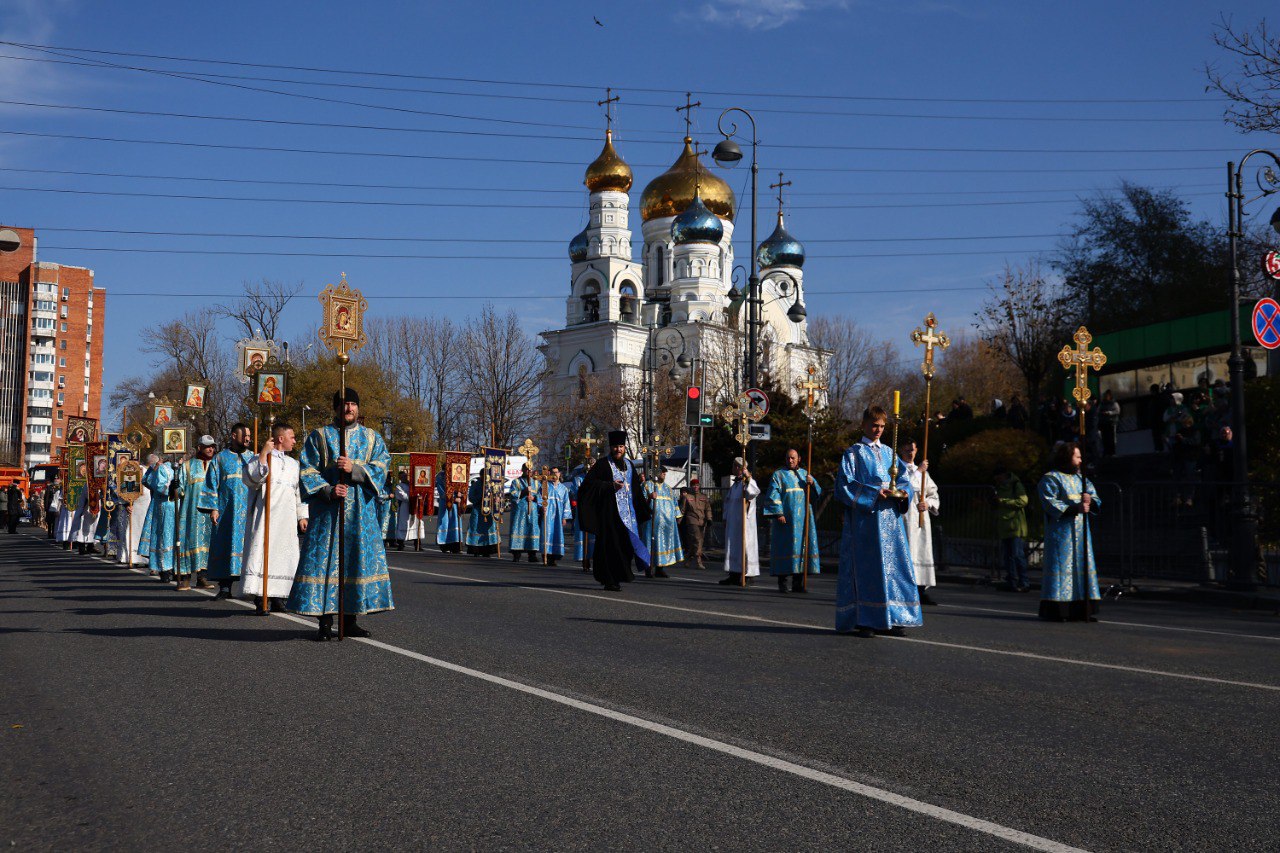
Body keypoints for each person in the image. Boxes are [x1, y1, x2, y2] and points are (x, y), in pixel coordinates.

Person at [287, 388, 394, 640]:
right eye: (344, 404)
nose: (349, 408)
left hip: (361, 515)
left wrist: (355, 468)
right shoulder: (319, 436)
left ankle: (350, 620)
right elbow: (307, 470)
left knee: (354, 562)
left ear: (358, 407)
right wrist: (328, 490)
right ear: (336, 408)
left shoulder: (372, 437)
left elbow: (382, 467)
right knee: (326, 564)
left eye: (353, 404)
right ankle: (325, 622)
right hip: (329, 514)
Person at [834, 406, 921, 638]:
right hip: (866, 522)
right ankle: (866, 620)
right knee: (868, 568)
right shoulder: (853, 453)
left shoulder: (890, 453)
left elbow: (904, 479)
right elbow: (844, 485)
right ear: (863, 425)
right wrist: (873, 493)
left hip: (890, 521)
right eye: (874, 425)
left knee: (894, 567)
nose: (878, 430)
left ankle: (892, 617)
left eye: (882, 426)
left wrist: (903, 493)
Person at [240, 423, 308, 613]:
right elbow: (252, 479)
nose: (294, 441)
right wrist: (263, 453)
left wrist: (302, 515)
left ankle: (280, 597)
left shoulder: (294, 464)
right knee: (264, 554)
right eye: (292, 437)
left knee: (284, 557)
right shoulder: (262, 458)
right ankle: (262, 598)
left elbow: (298, 492)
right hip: (266, 517)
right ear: (280, 438)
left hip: (286, 519)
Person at [576, 431, 650, 592]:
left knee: (625, 547)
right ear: (611, 447)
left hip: (628, 516)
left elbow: (636, 490)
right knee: (609, 547)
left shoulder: (629, 465)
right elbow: (588, 486)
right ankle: (609, 579)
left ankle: (619, 576)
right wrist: (610, 486)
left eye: (621, 446)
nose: (618, 449)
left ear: (624, 448)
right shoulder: (602, 465)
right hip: (608, 516)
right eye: (616, 446)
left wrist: (643, 508)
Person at [1038, 442, 1101, 622]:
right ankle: (1058, 610)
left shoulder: (1082, 479)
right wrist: (1075, 508)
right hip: (1061, 534)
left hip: (1081, 534)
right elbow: (1049, 502)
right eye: (1077, 457)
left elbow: (1095, 498)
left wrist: (1090, 500)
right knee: (1061, 569)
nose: (1081, 460)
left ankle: (1082, 610)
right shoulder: (1051, 478)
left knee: (1082, 567)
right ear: (1067, 457)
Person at [199, 423, 256, 600]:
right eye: (244, 435)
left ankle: (252, 588)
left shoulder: (253, 458)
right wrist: (214, 508)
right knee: (224, 545)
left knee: (252, 547)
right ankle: (225, 587)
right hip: (227, 511)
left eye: (249, 436)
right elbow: (211, 483)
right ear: (233, 436)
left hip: (249, 511)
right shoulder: (220, 458)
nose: (248, 439)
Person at [761, 448, 821, 594]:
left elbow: (816, 496)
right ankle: (782, 582)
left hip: (803, 520)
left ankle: (797, 583)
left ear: (799, 459)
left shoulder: (805, 474)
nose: (790, 460)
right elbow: (773, 494)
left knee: (801, 549)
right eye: (788, 458)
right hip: (786, 520)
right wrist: (778, 512)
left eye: (793, 458)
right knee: (784, 548)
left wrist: (812, 484)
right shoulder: (778, 475)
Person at [898, 439, 939, 606]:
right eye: (907, 450)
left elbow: (933, 494)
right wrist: (918, 472)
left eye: (913, 449)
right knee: (908, 551)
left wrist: (927, 503)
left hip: (921, 518)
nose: (910, 453)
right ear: (901, 451)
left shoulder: (923, 473)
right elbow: (902, 488)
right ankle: (905, 590)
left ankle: (921, 590)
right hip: (905, 517)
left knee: (922, 551)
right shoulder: (898, 469)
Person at [174, 437, 217, 591]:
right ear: (199, 447)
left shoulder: (216, 465)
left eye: (212, 446)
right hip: (191, 512)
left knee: (207, 542)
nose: (211, 449)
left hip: (210, 512)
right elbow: (180, 491)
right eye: (207, 447)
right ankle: (185, 577)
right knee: (188, 541)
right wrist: (175, 486)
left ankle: (202, 577)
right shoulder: (188, 465)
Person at [720, 457, 760, 586]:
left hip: (744, 523)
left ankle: (747, 574)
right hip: (733, 523)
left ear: (738, 467)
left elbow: (753, 492)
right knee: (733, 548)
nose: (732, 468)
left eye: (734, 465)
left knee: (745, 547)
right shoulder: (735, 485)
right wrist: (725, 517)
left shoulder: (747, 482)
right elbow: (727, 502)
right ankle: (734, 573)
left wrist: (747, 478)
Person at [993, 465, 1030, 592]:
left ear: (1004, 475)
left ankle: (1024, 582)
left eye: (998, 477)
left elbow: (1023, 501)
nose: (997, 479)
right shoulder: (999, 487)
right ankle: (1012, 581)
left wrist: (1003, 501)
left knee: (1017, 555)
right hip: (1004, 525)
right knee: (1008, 556)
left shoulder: (1015, 485)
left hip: (1016, 526)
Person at [140, 456, 176, 577]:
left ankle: (175, 567)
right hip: (163, 505)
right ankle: (163, 566)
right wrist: (172, 489)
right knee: (164, 536)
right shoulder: (160, 468)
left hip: (177, 506)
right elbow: (149, 482)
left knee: (175, 536)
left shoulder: (182, 467)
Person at [642, 468, 680, 578]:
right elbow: (640, 503)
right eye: (662, 472)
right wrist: (649, 497)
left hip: (666, 523)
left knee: (663, 545)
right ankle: (648, 568)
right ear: (656, 473)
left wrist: (677, 516)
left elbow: (674, 503)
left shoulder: (668, 488)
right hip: (651, 522)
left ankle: (660, 569)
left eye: (665, 473)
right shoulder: (647, 485)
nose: (664, 474)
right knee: (650, 544)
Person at [507, 464, 542, 563]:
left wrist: (534, 498)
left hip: (533, 512)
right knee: (518, 530)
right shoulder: (516, 481)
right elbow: (512, 495)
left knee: (532, 530)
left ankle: (532, 554)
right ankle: (516, 554)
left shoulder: (536, 483)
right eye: (526, 469)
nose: (528, 471)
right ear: (522, 470)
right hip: (520, 512)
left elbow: (541, 496)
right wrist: (524, 492)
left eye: (530, 470)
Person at [678, 478, 711, 570]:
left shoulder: (704, 497)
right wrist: (678, 521)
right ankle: (698, 561)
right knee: (697, 540)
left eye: (697, 485)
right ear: (691, 486)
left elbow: (708, 509)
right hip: (692, 520)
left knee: (698, 541)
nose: (695, 487)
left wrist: (709, 519)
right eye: (693, 485)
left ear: (699, 486)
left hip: (702, 521)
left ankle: (688, 559)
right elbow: (682, 510)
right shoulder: (687, 497)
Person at [120, 471, 150, 568]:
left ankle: (146, 558)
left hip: (148, 506)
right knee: (134, 531)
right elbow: (124, 490)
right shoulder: (133, 470)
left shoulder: (153, 471)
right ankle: (133, 557)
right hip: (135, 507)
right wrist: (127, 504)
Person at [543, 466, 572, 566]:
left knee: (557, 534)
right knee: (547, 534)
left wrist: (565, 517)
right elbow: (540, 498)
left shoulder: (563, 489)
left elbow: (566, 503)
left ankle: (554, 557)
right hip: (547, 515)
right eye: (553, 472)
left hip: (558, 515)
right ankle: (546, 555)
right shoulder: (545, 486)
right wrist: (541, 507)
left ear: (559, 474)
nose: (555, 474)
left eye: (556, 472)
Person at [569, 458, 595, 569]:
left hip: (594, 511)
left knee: (594, 535)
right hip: (582, 509)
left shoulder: (598, 479)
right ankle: (584, 558)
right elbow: (574, 493)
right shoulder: (578, 479)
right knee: (582, 533)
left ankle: (594, 557)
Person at [465, 475, 499, 557]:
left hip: (489, 511)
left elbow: (497, 495)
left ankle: (488, 550)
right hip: (477, 510)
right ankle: (476, 550)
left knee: (489, 530)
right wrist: (480, 497)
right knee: (475, 529)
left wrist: (496, 499)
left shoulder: (492, 485)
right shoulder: (475, 485)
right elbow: (471, 497)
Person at [393, 471, 424, 551]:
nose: (404, 478)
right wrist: (413, 497)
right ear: (400, 478)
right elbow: (403, 496)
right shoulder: (399, 486)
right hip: (405, 508)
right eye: (402, 477)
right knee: (403, 524)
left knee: (416, 523)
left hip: (415, 506)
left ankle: (417, 545)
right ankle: (401, 544)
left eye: (405, 476)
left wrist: (418, 496)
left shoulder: (413, 485)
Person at [434, 471, 463, 554]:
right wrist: (454, 498)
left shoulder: (455, 474)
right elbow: (442, 493)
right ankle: (445, 545)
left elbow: (461, 487)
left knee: (455, 523)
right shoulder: (440, 477)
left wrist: (461, 494)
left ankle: (456, 546)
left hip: (455, 506)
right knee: (444, 523)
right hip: (445, 504)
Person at [1098, 390, 1121, 457]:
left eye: (1107, 396)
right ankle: (1106, 451)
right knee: (1104, 438)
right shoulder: (1102, 404)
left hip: (1111, 422)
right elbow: (1098, 411)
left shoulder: (1114, 403)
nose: (1106, 397)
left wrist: (1109, 413)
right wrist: (1102, 413)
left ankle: (1112, 452)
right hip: (1104, 423)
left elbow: (1117, 411)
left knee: (1111, 438)